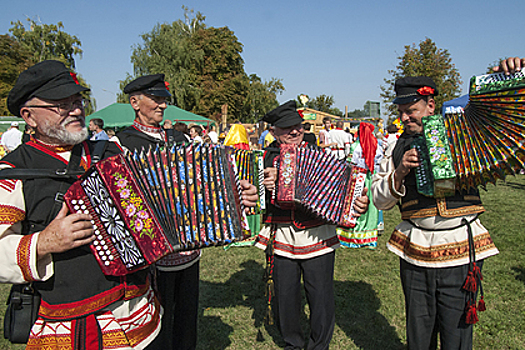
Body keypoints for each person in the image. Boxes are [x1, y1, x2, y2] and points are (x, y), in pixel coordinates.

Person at [0, 60, 161, 349]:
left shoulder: (112, 151)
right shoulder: (13, 173)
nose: (76, 109)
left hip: (137, 309)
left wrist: (227, 196)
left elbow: (159, 201)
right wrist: (43, 243)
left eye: (77, 100)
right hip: (74, 324)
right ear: (29, 116)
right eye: (61, 104)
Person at [116, 74, 258, 350]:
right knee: (156, 324)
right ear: (135, 102)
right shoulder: (121, 144)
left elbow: (205, 181)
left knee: (186, 320)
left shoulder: (179, 139)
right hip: (152, 255)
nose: (162, 106)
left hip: (189, 248)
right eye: (155, 99)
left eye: (164, 100)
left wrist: (236, 191)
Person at [370, 72, 509, 349]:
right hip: (415, 250)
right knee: (419, 331)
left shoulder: (463, 132)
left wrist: (506, 76)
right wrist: (398, 173)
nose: (405, 118)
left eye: (411, 111)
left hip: (460, 246)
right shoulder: (395, 147)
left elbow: (500, 118)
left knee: (456, 333)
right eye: (401, 112)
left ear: (430, 105)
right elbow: (379, 200)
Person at [255, 100, 370, 350]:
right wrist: (266, 188)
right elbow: (253, 201)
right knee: (286, 295)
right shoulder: (264, 158)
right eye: (288, 128)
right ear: (273, 132)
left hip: (318, 235)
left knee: (320, 295)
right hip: (283, 234)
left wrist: (358, 201)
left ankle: (320, 345)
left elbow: (346, 186)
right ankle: (292, 343)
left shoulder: (318, 153)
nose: (295, 131)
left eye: (298, 126)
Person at [336, 122, 383, 249]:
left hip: (357, 179)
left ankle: (351, 236)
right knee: (370, 208)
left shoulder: (355, 146)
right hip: (371, 178)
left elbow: (350, 164)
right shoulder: (376, 145)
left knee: (353, 205)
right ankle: (368, 237)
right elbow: (379, 164)